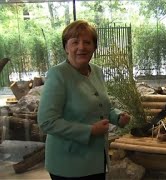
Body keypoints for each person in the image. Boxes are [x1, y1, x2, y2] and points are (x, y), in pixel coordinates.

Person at [38, 20, 131, 180]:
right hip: (68, 163)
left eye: (87, 42)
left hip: (96, 159)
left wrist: (117, 116)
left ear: (94, 47)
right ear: (66, 47)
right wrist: (89, 131)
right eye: (75, 42)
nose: (81, 47)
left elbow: (101, 106)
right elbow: (47, 121)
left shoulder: (96, 71)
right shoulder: (58, 75)